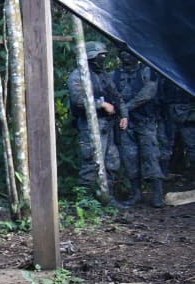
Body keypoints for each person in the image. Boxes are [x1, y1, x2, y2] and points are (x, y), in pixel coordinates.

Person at [66, 39, 125, 194]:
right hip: (90, 126)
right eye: (100, 56)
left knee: (112, 162)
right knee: (91, 163)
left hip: (108, 125)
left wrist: (123, 114)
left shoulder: (103, 75)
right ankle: (85, 202)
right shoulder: (77, 75)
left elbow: (117, 96)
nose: (103, 59)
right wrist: (102, 104)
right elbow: (78, 100)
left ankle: (108, 197)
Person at [113, 45, 165, 207]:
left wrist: (125, 109)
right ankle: (137, 194)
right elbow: (111, 94)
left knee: (151, 156)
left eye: (129, 53)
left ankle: (157, 195)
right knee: (130, 159)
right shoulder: (114, 75)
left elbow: (148, 93)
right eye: (122, 53)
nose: (125, 56)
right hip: (125, 125)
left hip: (145, 122)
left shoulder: (147, 71)